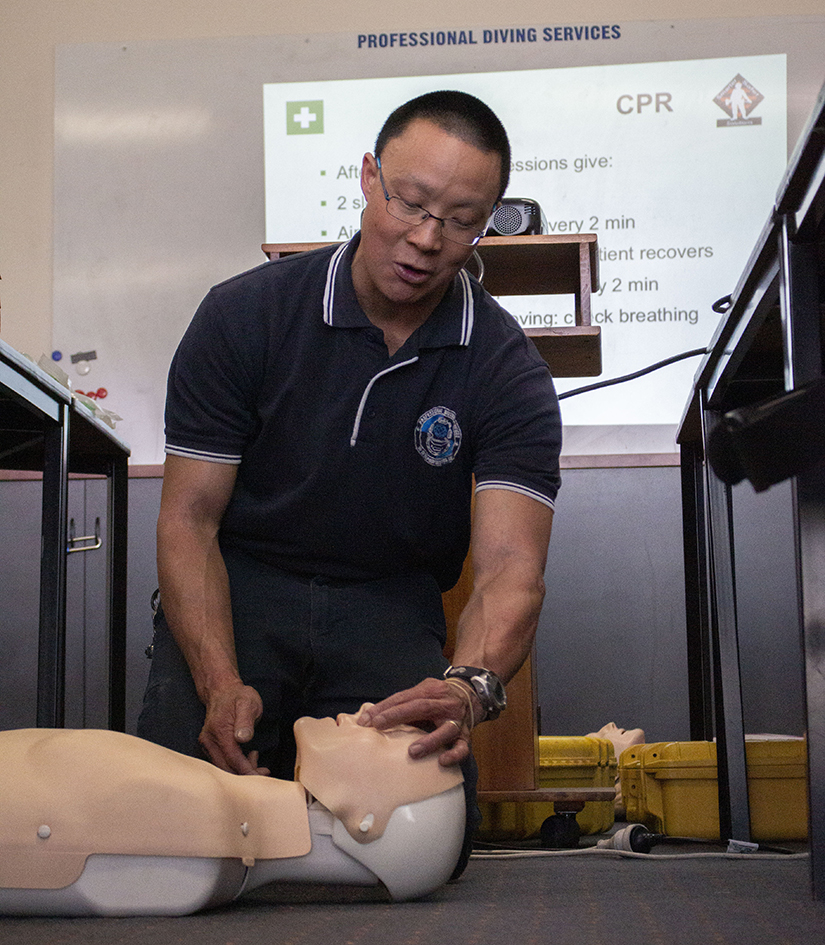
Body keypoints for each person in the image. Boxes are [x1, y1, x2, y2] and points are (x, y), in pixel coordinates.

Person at [137, 90, 561, 859]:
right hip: (245, 584)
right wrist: (217, 677)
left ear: (488, 225)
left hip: (387, 601)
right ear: (368, 177)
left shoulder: (506, 367)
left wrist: (466, 688)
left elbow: (509, 567)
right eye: (410, 201)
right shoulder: (243, 316)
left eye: (461, 220)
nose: (427, 238)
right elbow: (189, 518)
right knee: (173, 826)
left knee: (426, 839)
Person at [0, 712, 466, 915]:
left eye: (390, 737)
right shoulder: (209, 826)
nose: (369, 713)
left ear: (367, 822)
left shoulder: (205, 830)